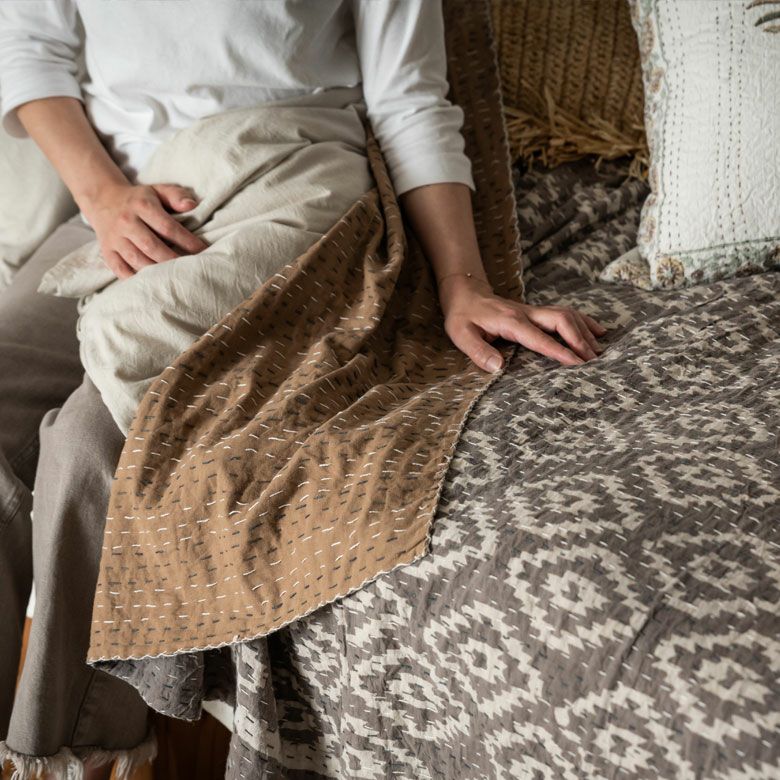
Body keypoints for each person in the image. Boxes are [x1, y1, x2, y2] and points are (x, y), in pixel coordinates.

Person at [0, 1, 606, 778]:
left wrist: (463, 284)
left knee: (95, 445)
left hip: (285, 188)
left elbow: (410, 100)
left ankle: (66, 756)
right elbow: (30, 44)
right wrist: (104, 199)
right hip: (118, 202)